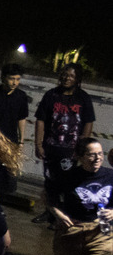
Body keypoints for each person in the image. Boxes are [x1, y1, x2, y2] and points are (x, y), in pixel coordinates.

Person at [34, 63, 95, 221]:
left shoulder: (83, 98)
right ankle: (50, 212)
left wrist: (82, 147)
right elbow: (40, 120)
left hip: (71, 151)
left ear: (77, 79)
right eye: (65, 74)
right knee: (50, 182)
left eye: (71, 76)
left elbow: (88, 122)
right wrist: (38, 144)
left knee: (67, 183)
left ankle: (64, 215)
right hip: (50, 148)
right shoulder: (51, 95)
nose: (67, 78)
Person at [0, 63, 29, 200]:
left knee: (7, 176)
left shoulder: (21, 96)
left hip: (11, 140)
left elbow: (21, 119)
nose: (15, 82)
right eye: (12, 78)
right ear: (3, 78)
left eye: (18, 79)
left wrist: (21, 141)